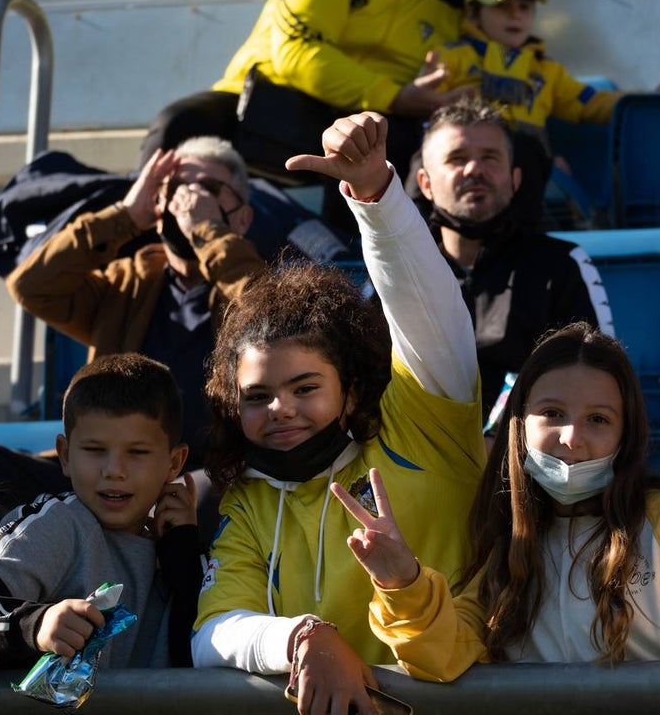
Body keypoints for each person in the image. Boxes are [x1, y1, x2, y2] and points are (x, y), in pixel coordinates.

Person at [190, 111, 486, 715]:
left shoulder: (423, 422)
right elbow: (212, 633)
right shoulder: (248, 498)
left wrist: (378, 197)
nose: (280, 410)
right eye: (256, 397)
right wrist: (301, 634)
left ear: (350, 390)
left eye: (305, 387)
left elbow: (424, 305)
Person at [330, 322, 660, 681]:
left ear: (626, 434)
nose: (572, 437)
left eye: (598, 419)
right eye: (552, 413)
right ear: (518, 426)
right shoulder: (505, 536)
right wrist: (401, 586)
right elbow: (445, 659)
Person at [140, 0, 470, 237]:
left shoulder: (452, 4)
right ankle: (141, 242)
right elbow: (295, 52)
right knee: (178, 124)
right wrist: (395, 95)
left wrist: (424, 97)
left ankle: (357, 280)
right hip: (267, 99)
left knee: (397, 148)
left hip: (368, 119)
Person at [0, 353, 202, 669]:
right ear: (65, 456)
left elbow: (196, 654)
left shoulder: (182, 544)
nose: (114, 470)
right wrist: (36, 625)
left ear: (174, 463)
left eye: (137, 452)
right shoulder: (59, 524)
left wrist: (184, 555)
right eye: (94, 450)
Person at [6, 136, 266, 477]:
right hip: (111, 475)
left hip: (215, 479)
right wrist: (124, 217)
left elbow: (270, 314)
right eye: (175, 189)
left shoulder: (251, 283)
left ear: (243, 219)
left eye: (208, 189)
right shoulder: (126, 284)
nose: (188, 201)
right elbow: (32, 286)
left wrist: (206, 230)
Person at [413, 0, 660, 217]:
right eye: (503, 6)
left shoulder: (546, 71)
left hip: (530, 177)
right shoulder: (450, 59)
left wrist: (644, 101)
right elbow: (424, 111)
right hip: (469, 171)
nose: (516, 15)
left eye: (524, 6)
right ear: (473, 12)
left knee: (536, 160)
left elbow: (590, 104)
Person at [414, 97, 614, 418]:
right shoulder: (401, 271)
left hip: (526, 458)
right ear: (425, 184)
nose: (474, 169)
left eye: (490, 158)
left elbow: (598, 382)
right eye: (456, 158)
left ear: (515, 180)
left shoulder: (562, 265)